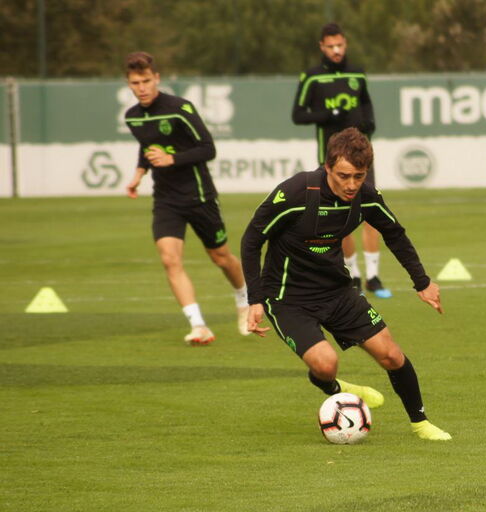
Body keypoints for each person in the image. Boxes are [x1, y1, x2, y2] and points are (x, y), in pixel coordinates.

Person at [241, 128, 451, 441]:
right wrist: (255, 298)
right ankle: (337, 388)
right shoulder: (296, 193)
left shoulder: (365, 196)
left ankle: (420, 423)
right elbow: (251, 239)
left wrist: (422, 282)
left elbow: (395, 233)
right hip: (287, 298)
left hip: (336, 291)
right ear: (327, 168)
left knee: (392, 355)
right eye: (344, 176)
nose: (352, 184)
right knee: (326, 365)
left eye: (359, 176)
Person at [123, 51, 249, 345]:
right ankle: (199, 325)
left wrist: (172, 159)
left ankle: (244, 299)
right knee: (170, 259)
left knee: (221, 257)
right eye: (134, 82)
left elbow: (208, 148)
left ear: (156, 78)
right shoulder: (132, 117)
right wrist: (139, 173)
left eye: (145, 80)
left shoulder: (179, 108)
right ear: (128, 84)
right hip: (166, 199)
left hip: (199, 195)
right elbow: (147, 146)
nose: (141, 87)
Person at [291, 22, 392, 299]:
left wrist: (369, 122)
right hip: (333, 160)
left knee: (371, 213)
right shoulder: (312, 77)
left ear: (345, 44)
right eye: (330, 46)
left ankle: (373, 276)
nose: (336, 51)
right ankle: (353, 275)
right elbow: (298, 115)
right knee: (340, 217)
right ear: (322, 47)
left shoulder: (357, 74)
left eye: (340, 45)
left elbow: (366, 101)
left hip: (360, 157)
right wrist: (325, 116)